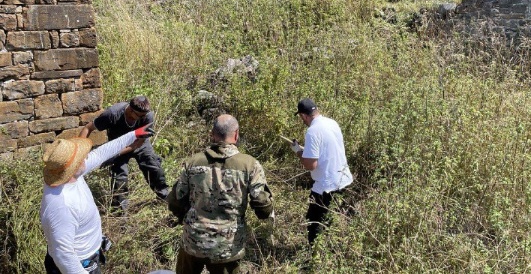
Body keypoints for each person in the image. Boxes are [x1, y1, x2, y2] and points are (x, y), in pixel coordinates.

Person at [167, 114, 273, 274]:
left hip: (193, 241)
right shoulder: (249, 164)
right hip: (227, 247)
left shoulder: (193, 162)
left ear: (212, 134)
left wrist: (185, 218)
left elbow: (176, 200)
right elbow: (262, 205)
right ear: (236, 134)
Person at [41, 125, 154, 274]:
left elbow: (101, 153)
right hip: (80, 265)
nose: (86, 157)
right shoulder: (61, 205)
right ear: (72, 167)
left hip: (88, 255)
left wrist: (133, 134)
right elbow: (63, 255)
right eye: (81, 157)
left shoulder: (71, 176)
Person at [79, 96, 169, 211]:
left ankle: (164, 196)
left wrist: (116, 155)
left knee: (153, 166)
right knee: (120, 176)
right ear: (131, 110)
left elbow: (137, 144)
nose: (144, 117)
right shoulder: (112, 114)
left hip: (139, 143)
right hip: (118, 145)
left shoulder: (147, 116)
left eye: (145, 115)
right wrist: (81, 150)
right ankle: (120, 210)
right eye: (140, 115)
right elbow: (88, 128)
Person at [290, 98, 353, 245]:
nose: (302, 121)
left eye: (301, 118)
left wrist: (298, 151)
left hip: (326, 187)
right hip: (343, 180)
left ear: (304, 116)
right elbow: (327, 149)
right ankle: (333, 252)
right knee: (333, 222)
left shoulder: (312, 131)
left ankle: (316, 258)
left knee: (314, 224)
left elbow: (310, 165)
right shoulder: (332, 123)